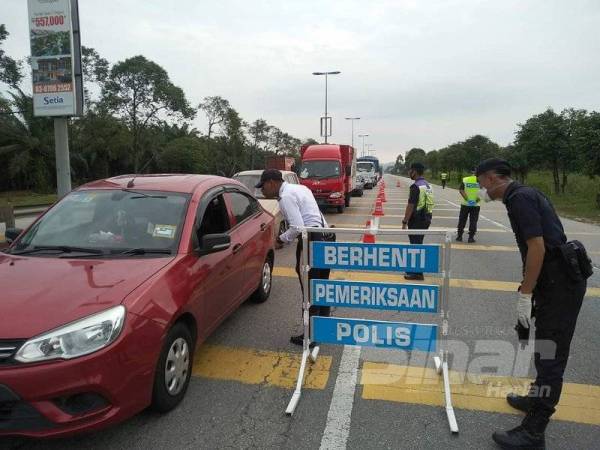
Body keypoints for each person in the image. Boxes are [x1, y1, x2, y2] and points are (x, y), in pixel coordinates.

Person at [475, 158, 588, 449]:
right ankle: (536, 397)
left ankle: (534, 431)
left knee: (550, 355)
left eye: (480, 183)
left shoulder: (519, 199)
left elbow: (537, 246)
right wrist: (532, 286)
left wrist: (525, 293)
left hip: (559, 284)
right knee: (543, 349)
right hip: (552, 281)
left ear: (490, 178)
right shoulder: (521, 194)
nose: (480, 189)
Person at [257, 169, 331, 346]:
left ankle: (311, 336)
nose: (262, 191)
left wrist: (280, 240)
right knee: (320, 286)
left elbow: (297, 227)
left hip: (311, 240)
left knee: (310, 288)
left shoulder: (286, 196)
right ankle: (323, 328)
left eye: (263, 187)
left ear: (272, 183)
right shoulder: (300, 188)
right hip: (325, 235)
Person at [401, 162, 434, 281]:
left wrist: (405, 221)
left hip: (417, 220)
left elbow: (411, 205)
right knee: (417, 244)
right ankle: (414, 269)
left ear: (414, 171)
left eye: (410, 170)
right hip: (426, 219)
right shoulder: (427, 185)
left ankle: (418, 273)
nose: (409, 172)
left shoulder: (415, 186)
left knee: (416, 246)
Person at [456, 169, 481, 243]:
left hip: (465, 204)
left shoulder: (466, 179)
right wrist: (475, 201)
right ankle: (471, 238)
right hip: (475, 205)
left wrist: (467, 199)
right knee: (473, 221)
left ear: (472, 172)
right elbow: (483, 192)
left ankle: (459, 236)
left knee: (462, 220)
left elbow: (461, 190)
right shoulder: (481, 181)